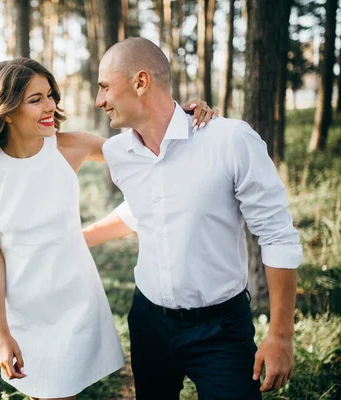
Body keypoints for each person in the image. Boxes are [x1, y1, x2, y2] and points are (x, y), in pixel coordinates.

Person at [0, 57, 216, 400]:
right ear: (6, 110)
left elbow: (147, 151)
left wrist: (185, 117)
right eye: (35, 99)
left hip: (74, 299)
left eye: (50, 95)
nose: (50, 105)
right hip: (25, 308)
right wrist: (3, 334)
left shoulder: (72, 146)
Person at [83, 37, 302, 400]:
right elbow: (144, 209)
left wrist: (281, 334)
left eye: (105, 86)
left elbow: (277, 235)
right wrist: (78, 239)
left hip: (221, 331)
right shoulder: (118, 152)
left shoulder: (229, 140)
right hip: (148, 323)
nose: (99, 100)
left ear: (140, 82)